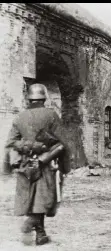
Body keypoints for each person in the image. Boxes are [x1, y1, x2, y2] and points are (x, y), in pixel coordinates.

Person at [2, 83, 71, 246]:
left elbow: (11, 142)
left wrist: (28, 146)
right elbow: (63, 143)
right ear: (44, 98)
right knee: (44, 199)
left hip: (25, 164)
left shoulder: (20, 117)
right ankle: (29, 224)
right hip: (45, 164)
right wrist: (61, 164)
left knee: (32, 200)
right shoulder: (51, 115)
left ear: (30, 99)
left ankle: (41, 234)